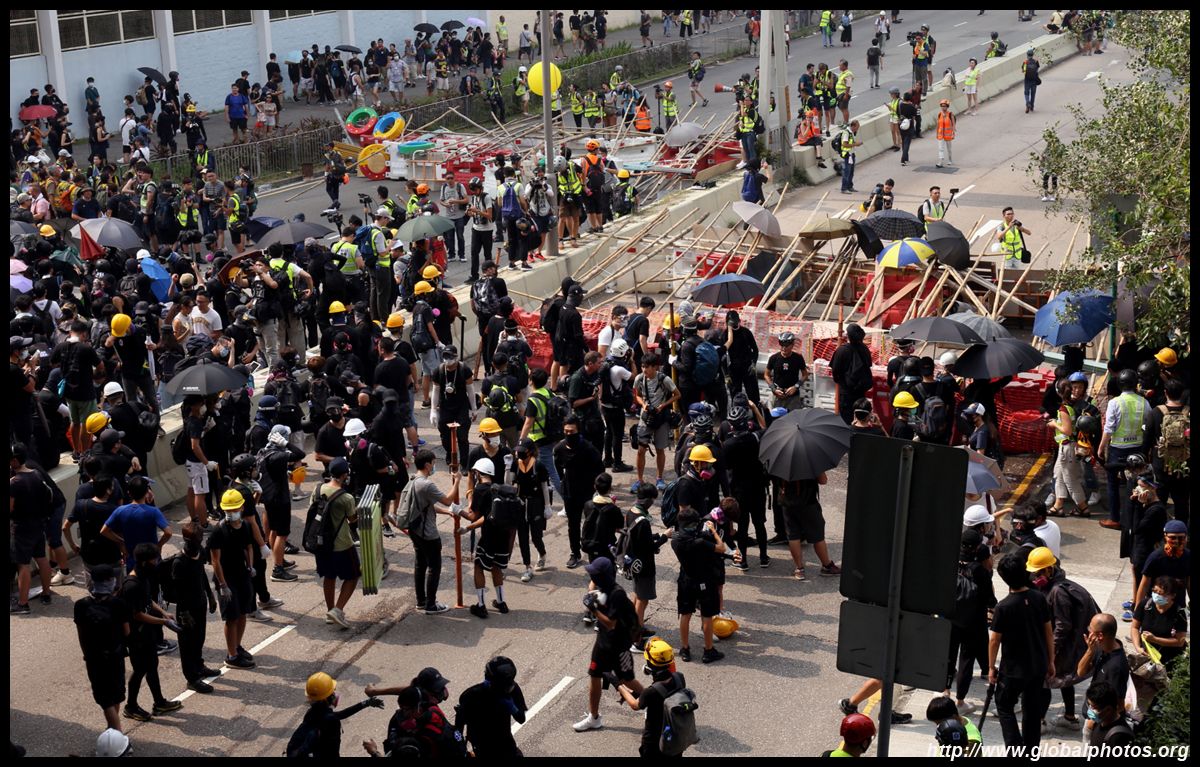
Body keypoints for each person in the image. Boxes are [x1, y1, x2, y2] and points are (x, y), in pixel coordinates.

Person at [988, 553, 1055, 752]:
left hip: (1014, 670)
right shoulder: (1038, 597)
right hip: (1038, 665)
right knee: (1032, 709)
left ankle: (1015, 749)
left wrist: (991, 667)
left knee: (1004, 706)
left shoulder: (1003, 606)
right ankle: (1031, 750)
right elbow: (1049, 633)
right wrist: (1051, 661)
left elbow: (994, 640)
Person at [1027, 546, 1098, 732]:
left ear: (1049, 570)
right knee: (1065, 680)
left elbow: (1063, 625)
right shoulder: (1057, 586)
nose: (1035, 577)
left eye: (1038, 572)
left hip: (1061, 646)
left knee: (1045, 682)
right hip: (1066, 645)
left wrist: (1051, 650)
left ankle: (1040, 722)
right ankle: (1070, 718)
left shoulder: (1058, 591)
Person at [572, 557, 644, 732]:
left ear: (604, 575)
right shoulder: (602, 589)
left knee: (627, 680)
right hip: (602, 644)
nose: (592, 577)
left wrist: (593, 609)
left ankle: (653, 700)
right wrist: (592, 598)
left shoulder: (617, 594)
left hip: (619, 646)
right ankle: (594, 718)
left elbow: (611, 623)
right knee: (594, 676)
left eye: (595, 574)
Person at [117, 542, 183, 722]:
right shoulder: (132, 585)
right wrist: (164, 622)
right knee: (139, 670)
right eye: (154, 561)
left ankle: (159, 702)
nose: (156, 564)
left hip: (147, 634)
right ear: (144, 562)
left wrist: (163, 613)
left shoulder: (143, 578)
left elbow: (148, 601)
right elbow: (137, 614)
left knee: (152, 667)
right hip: (136, 637)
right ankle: (131, 706)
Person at [401, 450, 462, 614]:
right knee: (434, 568)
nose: (434, 467)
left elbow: (426, 505)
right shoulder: (426, 485)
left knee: (420, 565)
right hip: (428, 534)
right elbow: (447, 500)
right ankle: (431, 604)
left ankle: (421, 601)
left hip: (415, 531)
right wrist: (457, 481)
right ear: (427, 465)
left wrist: (446, 512)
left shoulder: (413, 480)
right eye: (434, 464)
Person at [74, 562, 132, 734]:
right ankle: (117, 734)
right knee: (115, 694)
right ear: (108, 582)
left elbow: (81, 633)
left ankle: (112, 727)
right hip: (115, 655)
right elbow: (127, 631)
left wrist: (86, 654)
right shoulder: (118, 604)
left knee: (104, 697)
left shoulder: (81, 605)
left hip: (94, 657)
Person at [207, 489, 257, 670]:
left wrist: (250, 566)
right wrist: (222, 584)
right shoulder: (218, 531)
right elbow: (215, 560)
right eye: (228, 510)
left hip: (242, 575)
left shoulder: (246, 526)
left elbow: (248, 547)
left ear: (242, 508)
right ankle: (232, 656)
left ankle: (237, 645)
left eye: (234, 509)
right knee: (232, 618)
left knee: (243, 613)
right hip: (227, 579)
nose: (231, 513)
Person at [670, 507, 726, 664]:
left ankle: (685, 649)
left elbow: (674, 535)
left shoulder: (675, 541)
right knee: (706, 615)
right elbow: (721, 548)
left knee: (685, 613)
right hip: (703, 579)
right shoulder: (700, 542)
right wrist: (713, 531)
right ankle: (708, 650)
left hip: (685, 579)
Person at [613, 638, 686, 757]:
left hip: (654, 742)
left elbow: (635, 705)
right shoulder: (679, 678)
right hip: (675, 738)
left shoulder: (651, 691)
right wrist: (630, 691)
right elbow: (658, 698)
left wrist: (619, 686)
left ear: (650, 664)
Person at [1098, 369, 1150, 530]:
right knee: (1136, 483)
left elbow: (1109, 428)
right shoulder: (1144, 402)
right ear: (1135, 384)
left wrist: (1101, 447)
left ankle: (1115, 519)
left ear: (1119, 385)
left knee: (1113, 484)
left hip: (1118, 450)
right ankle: (1134, 518)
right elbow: (1147, 425)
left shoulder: (1115, 403)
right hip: (1138, 449)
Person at [171, 521, 219, 694]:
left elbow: (202, 575)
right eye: (192, 540)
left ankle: (199, 666)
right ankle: (191, 678)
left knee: (199, 638)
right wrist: (184, 614)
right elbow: (178, 591)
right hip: (187, 609)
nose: (196, 543)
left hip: (200, 603)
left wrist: (210, 594)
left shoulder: (200, 553)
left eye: (198, 539)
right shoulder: (179, 562)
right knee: (187, 644)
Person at [554, 414, 605, 569]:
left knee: (592, 524)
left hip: (588, 493)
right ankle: (575, 553)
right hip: (570, 493)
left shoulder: (589, 449)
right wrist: (562, 479)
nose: (569, 435)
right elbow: (558, 465)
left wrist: (599, 489)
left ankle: (595, 552)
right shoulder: (560, 449)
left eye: (572, 431)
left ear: (579, 431)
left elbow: (600, 470)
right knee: (573, 525)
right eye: (566, 432)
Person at [631, 354, 680, 493]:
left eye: (647, 367)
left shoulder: (664, 379)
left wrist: (663, 405)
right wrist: (643, 405)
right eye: (642, 366)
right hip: (645, 418)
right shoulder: (639, 378)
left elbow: (677, 394)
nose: (644, 370)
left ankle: (660, 478)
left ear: (655, 367)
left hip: (661, 419)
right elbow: (638, 395)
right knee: (641, 449)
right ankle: (639, 480)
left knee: (660, 449)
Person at [1075, 613, 1130, 736]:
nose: (1088, 631)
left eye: (1090, 629)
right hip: (1093, 714)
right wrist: (1090, 651)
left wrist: (1095, 721)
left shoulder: (1117, 666)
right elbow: (1081, 672)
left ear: (1100, 635)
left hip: (1103, 724)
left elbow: (1119, 705)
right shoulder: (1102, 647)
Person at [1130, 575, 1188, 667]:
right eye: (1154, 591)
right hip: (1146, 658)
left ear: (1172, 596)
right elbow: (1135, 627)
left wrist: (1155, 640)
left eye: (1161, 593)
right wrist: (1138, 647)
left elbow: (1179, 641)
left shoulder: (1178, 613)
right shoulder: (1145, 604)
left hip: (1169, 662)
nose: (1156, 595)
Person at [830, 324, 874, 424]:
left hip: (846, 390)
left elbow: (835, 370)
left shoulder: (842, 350)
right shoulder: (864, 348)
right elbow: (869, 364)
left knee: (847, 419)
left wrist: (838, 380)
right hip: (861, 388)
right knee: (860, 417)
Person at [765, 331, 808, 411]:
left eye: (787, 345)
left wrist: (795, 387)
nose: (784, 347)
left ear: (792, 344)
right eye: (782, 344)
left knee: (795, 417)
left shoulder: (798, 358)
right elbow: (766, 375)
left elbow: (805, 375)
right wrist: (774, 389)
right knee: (777, 417)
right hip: (778, 395)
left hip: (793, 396)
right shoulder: (774, 358)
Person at [1084, 681, 1134, 748]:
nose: (1090, 709)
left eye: (1093, 707)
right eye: (1089, 705)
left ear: (1108, 709)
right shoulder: (1100, 721)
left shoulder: (1118, 737)